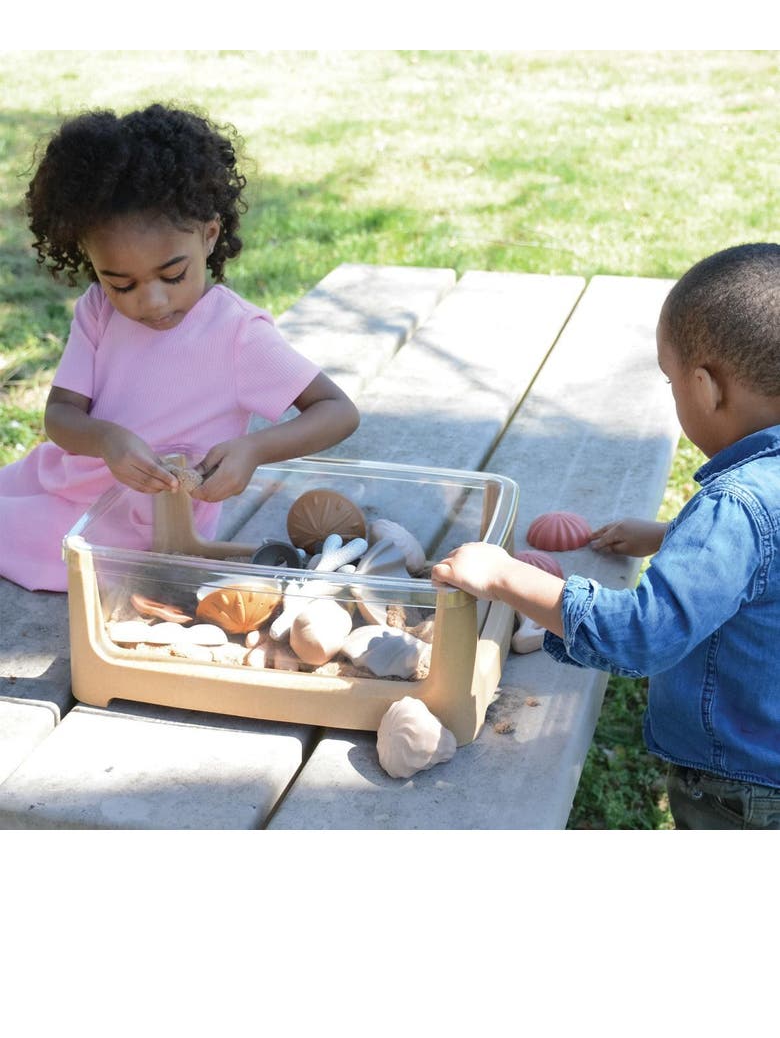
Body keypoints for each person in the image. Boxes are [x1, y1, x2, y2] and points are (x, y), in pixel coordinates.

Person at [432, 242, 780, 830]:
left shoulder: (736, 509)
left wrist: (504, 575)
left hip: (740, 787)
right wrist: (677, 534)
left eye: (671, 382)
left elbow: (642, 636)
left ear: (707, 387)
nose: (673, 394)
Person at [0, 103, 359, 593]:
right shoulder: (98, 311)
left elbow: (337, 411)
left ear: (209, 235)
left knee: (80, 564)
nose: (150, 301)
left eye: (172, 275)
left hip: (152, 530)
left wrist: (253, 449)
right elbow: (61, 415)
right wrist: (106, 439)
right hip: (60, 487)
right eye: (120, 283)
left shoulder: (236, 333)